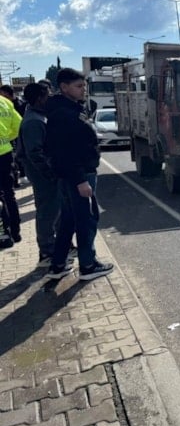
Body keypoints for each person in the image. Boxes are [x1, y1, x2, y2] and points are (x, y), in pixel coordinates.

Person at [44, 68, 114, 281]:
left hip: (72, 175)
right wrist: (81, 180)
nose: (84, 89)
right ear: (64, 87)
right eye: (79, 86)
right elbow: (66, 152)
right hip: (79, 175)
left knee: (69, 220)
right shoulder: (65, 114)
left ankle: (58, 264)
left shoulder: (68, 109)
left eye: (84, 85)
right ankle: (88, 265)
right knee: (87, 219)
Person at [16, 82, 60, 266]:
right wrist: (49, 174)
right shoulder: (34, 121)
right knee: (46, 211)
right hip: (41, 173)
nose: (50, 98)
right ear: (40, 98)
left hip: (43, 172)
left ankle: (59, 246)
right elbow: (35, 153)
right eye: (47, 95)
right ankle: (47, 252)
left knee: (54, 209)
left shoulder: (39, 116)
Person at [0, 92, 22, 243]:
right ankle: (15, 231)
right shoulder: (5, 102)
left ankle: (4, 233)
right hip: (5, 154)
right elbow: (18, 124)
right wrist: (6, 138)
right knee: (9, 194)